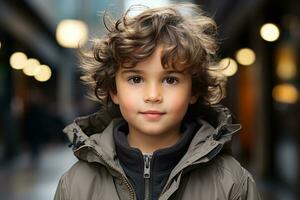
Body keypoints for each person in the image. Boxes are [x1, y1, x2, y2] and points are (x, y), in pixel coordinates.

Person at [54, 3, 261, 200]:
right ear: (113, 90)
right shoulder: (77, 183)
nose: (153, 95)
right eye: (136, 79)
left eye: (170, 80)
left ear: (194, 90)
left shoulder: (232, 182)